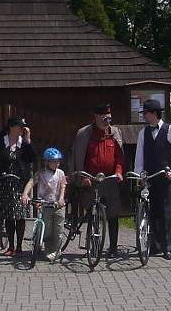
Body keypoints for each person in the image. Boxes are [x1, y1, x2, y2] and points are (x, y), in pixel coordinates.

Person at [70, 103, 126, 257]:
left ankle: (113, 248)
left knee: (113, 214)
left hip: (110, 179)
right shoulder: (84, 134)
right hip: (91, 180)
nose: (107, 121)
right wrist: (83, 177)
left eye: (109, 118)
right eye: (104, 118)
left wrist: (119, 172)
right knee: (93, 213)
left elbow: (119, 157)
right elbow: (78, 158)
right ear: (95, 117)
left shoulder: (114, 133)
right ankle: (93, 247)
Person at [135, 98, 171, 260]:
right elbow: (139, 157)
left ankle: (167, 246)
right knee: (151, 211)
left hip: (164, 177)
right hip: (149, 178)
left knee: (164, 212)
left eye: (146, 113)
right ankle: (153, 245)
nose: (144, 116)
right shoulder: (143, 133)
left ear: (154, 114)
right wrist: (139, 175)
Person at [0, 116, 35, 255]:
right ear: (12, 127)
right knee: (9, 216)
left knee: (20, 215)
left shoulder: (24, 143)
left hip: (20, 183)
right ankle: (11, 247)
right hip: (5, 183)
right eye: (20, 126)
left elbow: (32, 159)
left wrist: (28, 141)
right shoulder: (1, 142)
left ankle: (19, 247)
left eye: (23, 127)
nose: (22, 129)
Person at [21, 147, 67, 262]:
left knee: (58, 229)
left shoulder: (60, 173)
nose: (57, 164)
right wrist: (25, 194)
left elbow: (63, 186)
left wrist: (61, 198)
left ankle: (56, 251)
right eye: (54, 161)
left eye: (58, 161)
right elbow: (31, 182)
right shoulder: (41, 173)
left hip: (58, 205)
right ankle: (48, 249)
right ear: (47, 162)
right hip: (45, 205)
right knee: (47, 230)